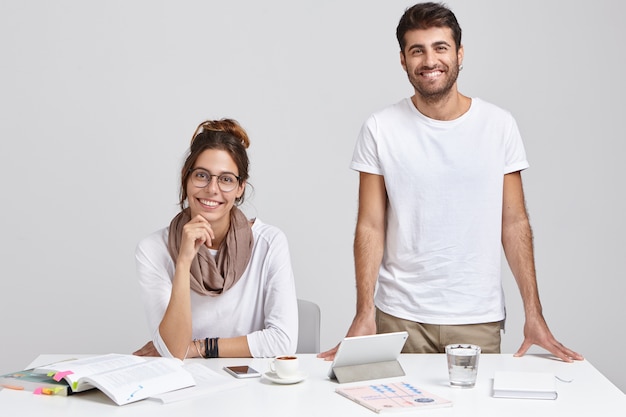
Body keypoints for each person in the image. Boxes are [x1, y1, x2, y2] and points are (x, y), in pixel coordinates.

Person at [319, 2, 582, 362]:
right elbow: (370, 225)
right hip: (400, 317)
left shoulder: (498, 125)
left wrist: (533, 313)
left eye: (440, 47)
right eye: (417, 50)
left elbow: (514, 222)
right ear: (403, 59)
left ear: (459, 53)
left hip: (477, 317)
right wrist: (364, 313)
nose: (430, 61)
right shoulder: (380, 128)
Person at [133, 118, 298, 359]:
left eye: (226, 179)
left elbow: (282, 342)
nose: (212, 189)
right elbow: (174, 351)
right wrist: (183, 262)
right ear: (186, 178)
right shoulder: (152, 249)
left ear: (240, 187)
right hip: (185, 386)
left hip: (253, 387)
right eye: (202, 175)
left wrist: (198, 347)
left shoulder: (269, 243)